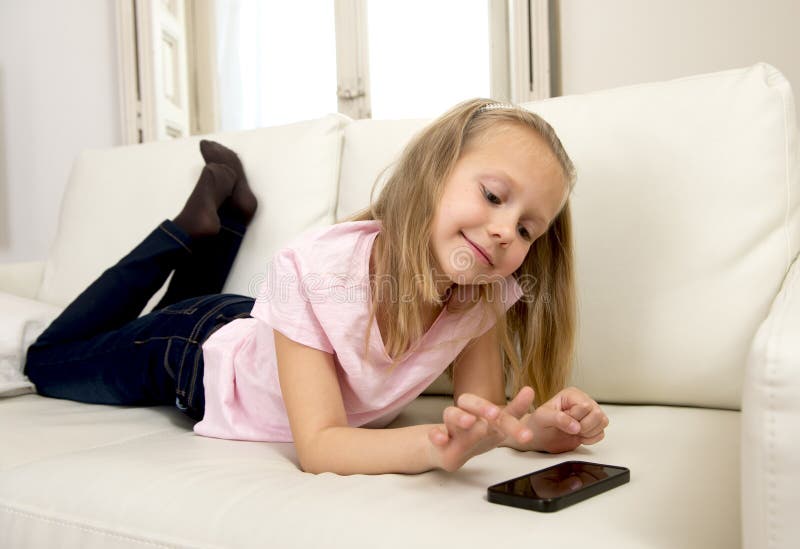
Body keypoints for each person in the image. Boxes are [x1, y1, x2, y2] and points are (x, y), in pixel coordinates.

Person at [24, 98, 609, 476]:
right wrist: (432, 447)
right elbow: (322, 446)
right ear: (433, 174)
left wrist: (535, 431)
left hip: (264, 328)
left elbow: (478, 413)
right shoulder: (316, 270)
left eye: (528, 227)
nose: (507, 230)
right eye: (492, 195)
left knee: (173, 310)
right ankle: (184, 231)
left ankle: (224, 219)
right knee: (46, 360)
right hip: (194, 349)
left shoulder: (480, 297)